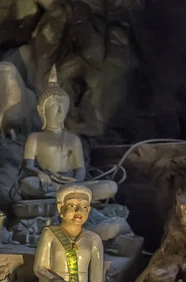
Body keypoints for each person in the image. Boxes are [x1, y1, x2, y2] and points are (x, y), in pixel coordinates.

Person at [18, 65, 116, 201]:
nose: (59, 112)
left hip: (71, 183)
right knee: (28, 184)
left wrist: (76, 182)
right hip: (48, 183)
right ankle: (68, 195)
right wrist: (39, 173)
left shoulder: (73, 139)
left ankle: (66, 194)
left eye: (63, 108)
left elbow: (80, 168)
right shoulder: (35, 138)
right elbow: (27, 165)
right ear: (42, 111)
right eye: (54, 107)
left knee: (110, 186)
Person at [16, 184, 115, 282]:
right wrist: (56, 280)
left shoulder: (94, 239)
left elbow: (96, 279)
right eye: (72, 206)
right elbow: (40, 268)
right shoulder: (50, 234)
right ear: (60, 208)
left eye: (84, 207)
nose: (79, 211)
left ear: (89, 210)